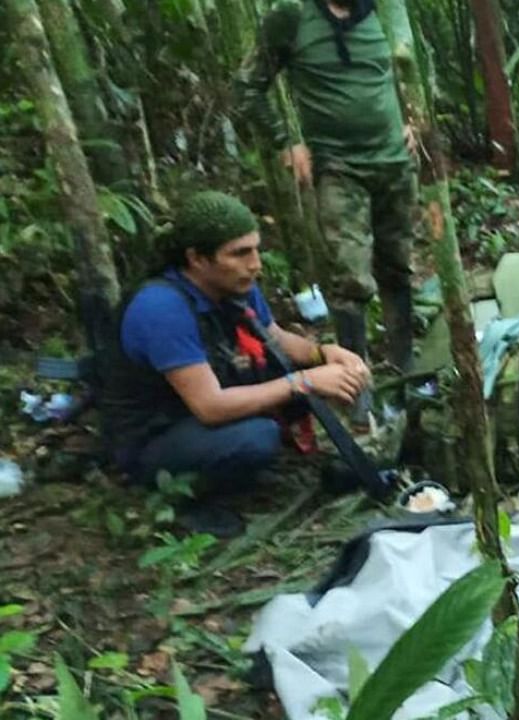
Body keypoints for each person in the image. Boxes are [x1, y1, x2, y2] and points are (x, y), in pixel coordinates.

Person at [101, 192, 371, 532]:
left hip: (204, 400)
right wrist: (305, 382)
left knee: (288, 376)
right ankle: (180, 499)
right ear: (197, 259)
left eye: (256, 249)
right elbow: (209, 406)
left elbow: (273, 338)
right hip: (155, 434)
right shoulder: (161, 308)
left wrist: (323, 354)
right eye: (240, 253)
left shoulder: (235, 283)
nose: (255, 264)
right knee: (257, 438)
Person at [235, 0, 420, 425]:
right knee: (350, 277)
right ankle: (356, 386)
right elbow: (247, 87)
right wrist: (287, 141)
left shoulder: (387, 10)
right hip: (336, 166)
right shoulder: (293, 18)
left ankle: (407, 369)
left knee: (399, 267)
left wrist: (413, 115)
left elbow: (409, 67)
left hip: (394, 162)